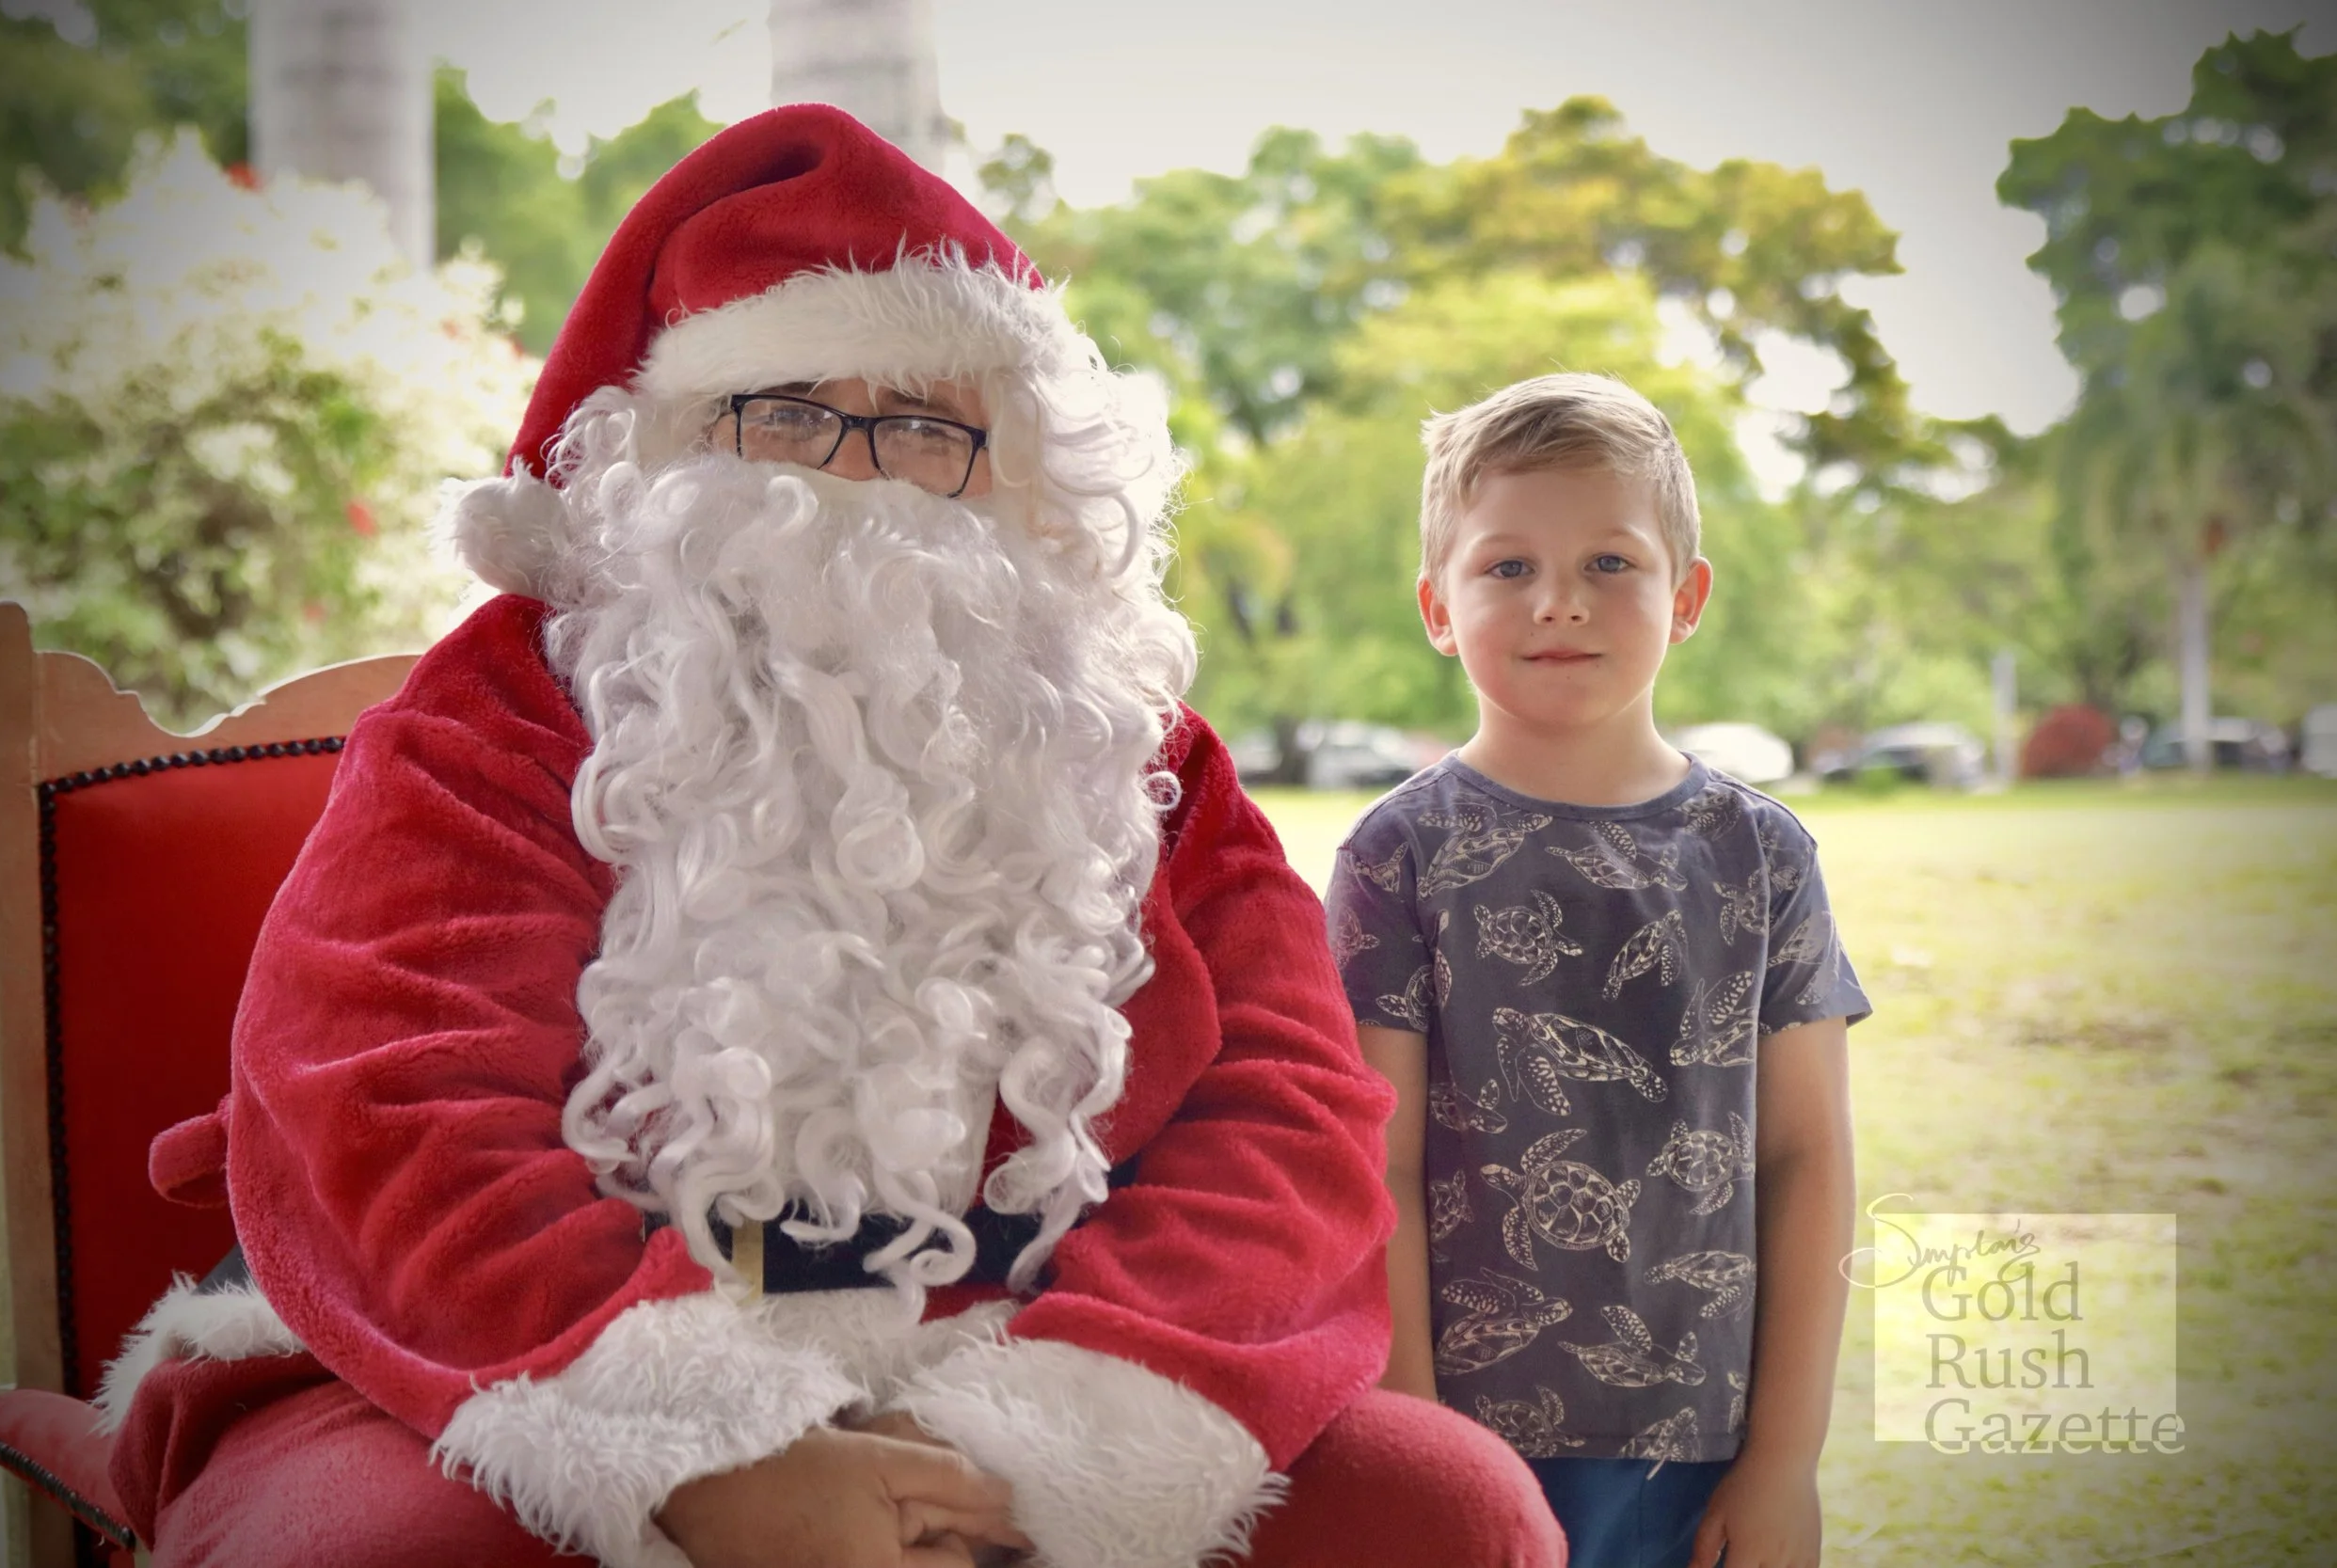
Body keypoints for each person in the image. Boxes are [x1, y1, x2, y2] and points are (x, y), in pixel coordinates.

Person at [97, 106, 1566, 1568]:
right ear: (662, 448)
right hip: (512, 1356)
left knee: (1451, 1509)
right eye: (786, 412)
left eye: (926, 423)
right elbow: (391, 1093)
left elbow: (1290, 1112)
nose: (853, 471)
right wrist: (711, 1451)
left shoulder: (1131, 745)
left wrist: (1031, 1440)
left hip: (1013, 1352)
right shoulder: (501, 709)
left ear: (1024, 475)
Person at [1327, 373, 1867, 1568]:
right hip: (1472, 1443)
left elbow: (1806, 1156)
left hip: (1704, 1447)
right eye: (1507, 565)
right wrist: (1422, 1452)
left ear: (1687, 597)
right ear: (1436, 605)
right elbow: (1380, 1166)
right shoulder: (1396, 854)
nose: (1558, 601)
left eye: (1609, 562)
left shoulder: (1760, 854)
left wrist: (1784, 1458)